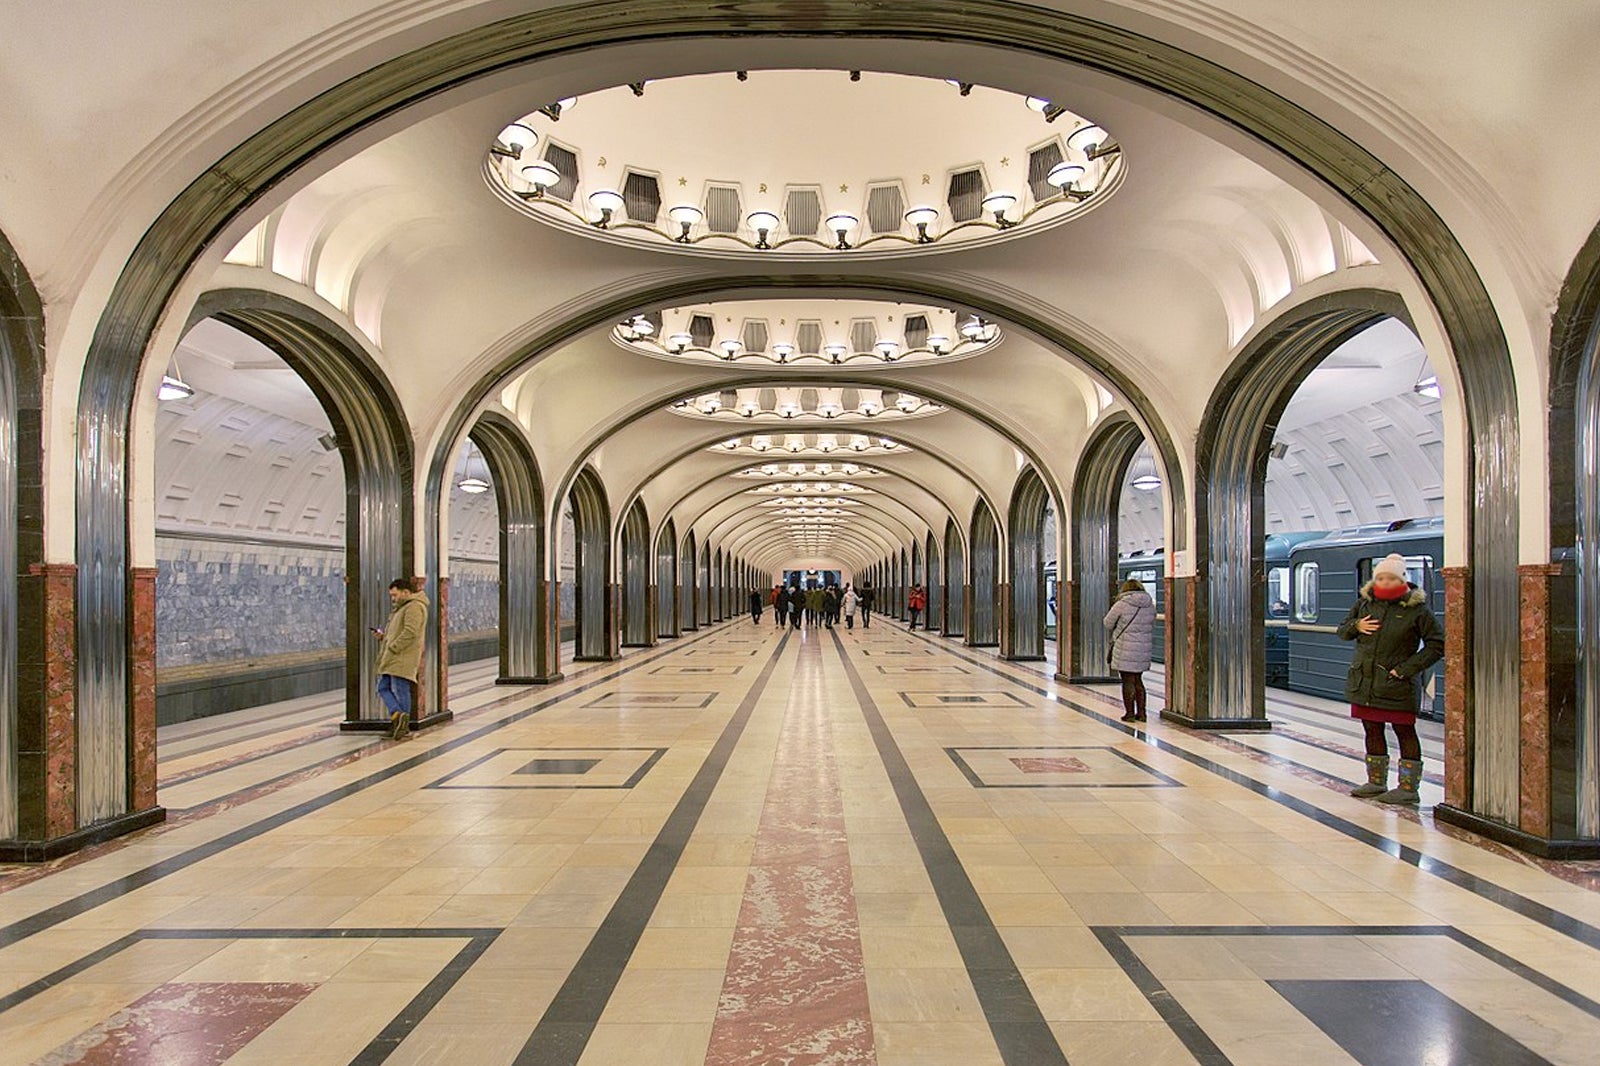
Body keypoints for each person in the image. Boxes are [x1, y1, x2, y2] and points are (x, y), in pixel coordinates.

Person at [1339, 553, 1444, 805]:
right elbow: (1342, 631)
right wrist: (1356, 626)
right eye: (1381, 578)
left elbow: (1437, 644)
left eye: (1391, 578)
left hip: (1397, 684)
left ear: (1402, 580)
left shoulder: (1417, 610)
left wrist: (1407, 669)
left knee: (1404, 731)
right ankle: (1376, 782)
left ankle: (1408, 788)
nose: (1385, 582)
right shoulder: (1364, 604)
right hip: (1365, 682)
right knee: (1371, 729)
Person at [373, 577, 428, 739]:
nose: (393, 599)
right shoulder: (403, 608)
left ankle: (401, 722)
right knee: (384, 687)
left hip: (402, 656)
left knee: (400, 689)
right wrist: (384, 637)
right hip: (395, 655)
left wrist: (394, 647)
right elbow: (398, 632)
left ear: (406, 592)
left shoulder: (414, 607)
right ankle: (398, 716)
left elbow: (411, 632)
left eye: (395, 595)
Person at [1103, 578, 1155, 722]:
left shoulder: (1122, 604)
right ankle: (1142, 714)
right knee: (1138, 680)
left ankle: (1130, 713)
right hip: (1143, 648)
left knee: (1127, 681)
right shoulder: (1150, 604)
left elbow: (1107, 623)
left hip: (1125, 647)